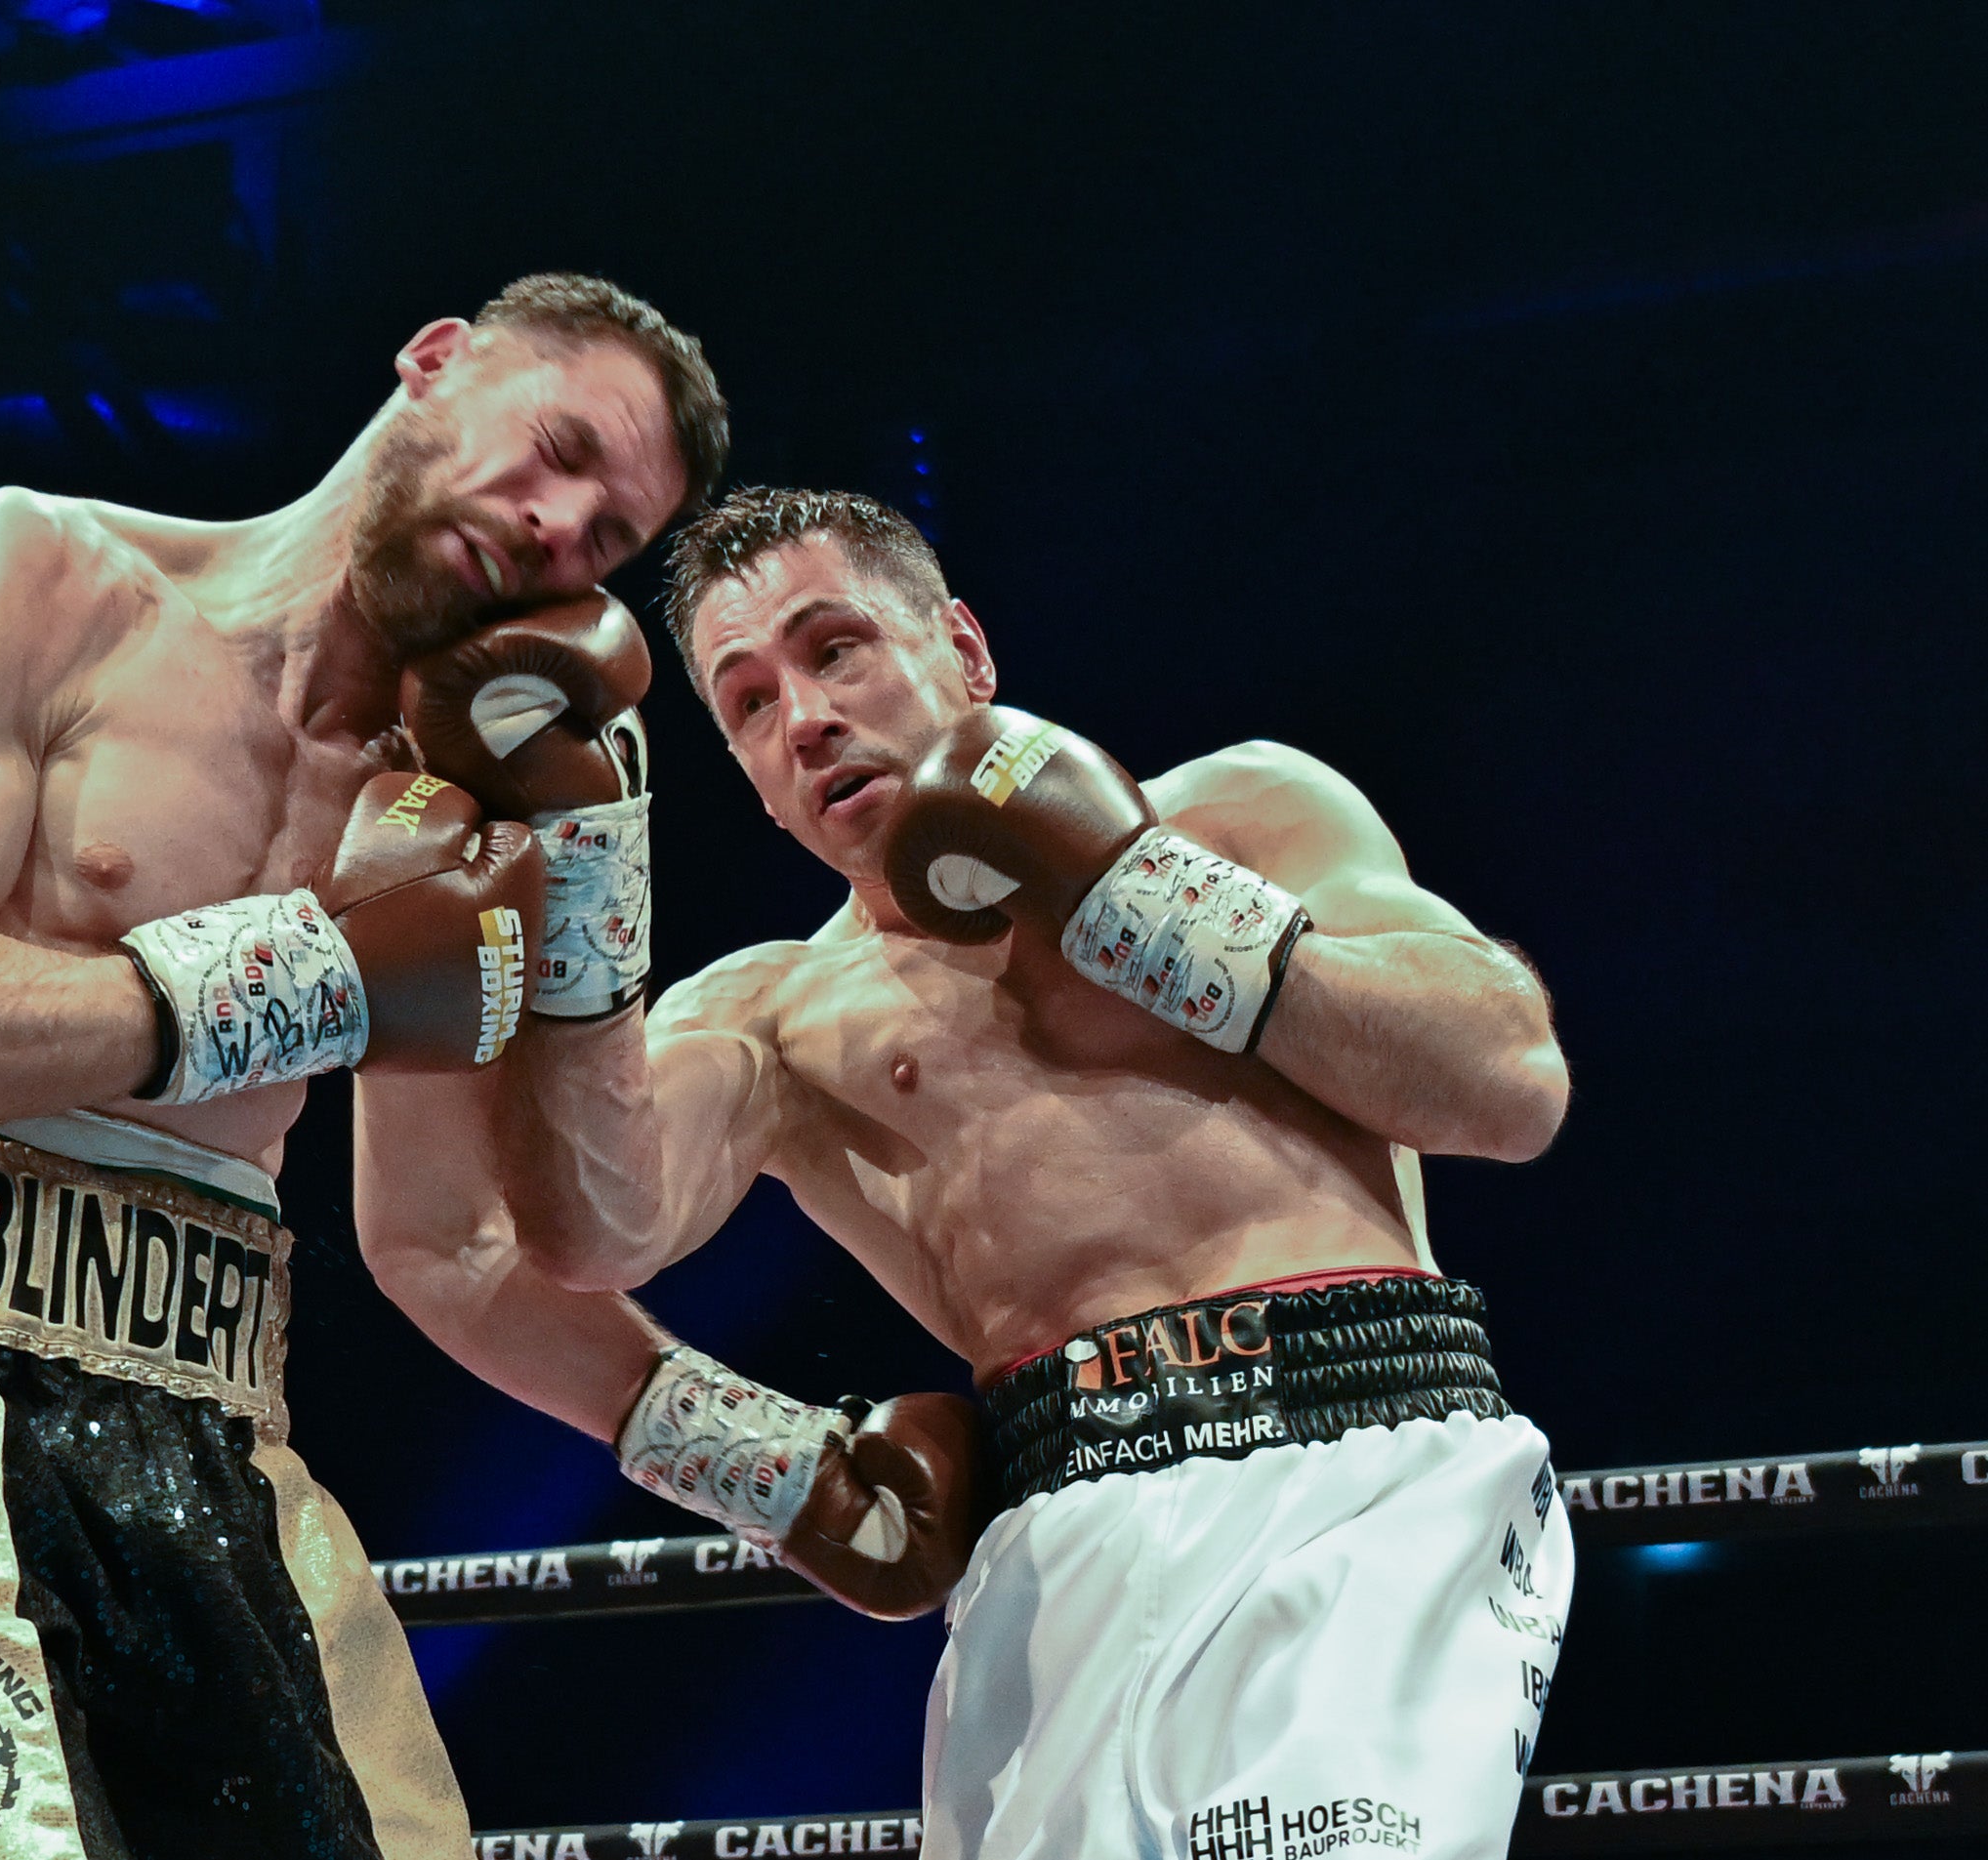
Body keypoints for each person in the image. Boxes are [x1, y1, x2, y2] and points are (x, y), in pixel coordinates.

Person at [0, 273, 731, 1860]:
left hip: (205, 1397)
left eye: (609, 535)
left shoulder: (447, 804)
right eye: (559, 448)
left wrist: (766, 1464)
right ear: (437, 360)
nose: (559, 526)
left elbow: (462, 1244)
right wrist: (298, 983)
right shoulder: (37, 572)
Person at [354, 486, 1576, 1860]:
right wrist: (774, 1470)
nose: (804, 718)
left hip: (1361, 1474)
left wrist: (1137, 893)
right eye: (748, 703)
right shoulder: (771, 1018)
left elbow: (1509, 1083)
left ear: (966, 650)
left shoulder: (1238, 812)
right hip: (1054, 1555)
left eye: (836, 650)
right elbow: (588, 1230)